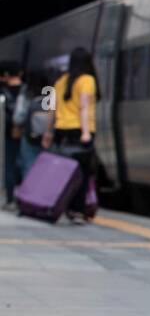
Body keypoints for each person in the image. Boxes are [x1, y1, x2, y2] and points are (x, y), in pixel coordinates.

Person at [46, 48, 100, 224]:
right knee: (82, 173)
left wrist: (48, 132)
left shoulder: (60, 81)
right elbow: (84, 106)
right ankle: (76, 209)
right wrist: (85, 132)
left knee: (64, 171)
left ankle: (61, 205)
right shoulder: (87, 80)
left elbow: (51, 109)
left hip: (61, 130)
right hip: (79, 130)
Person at [13, 70, 52, 185]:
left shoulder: (26, 94)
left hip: (29, 137)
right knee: (48, 169)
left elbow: (18, 117)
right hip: (48, 137)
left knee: (28, 167)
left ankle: (29, 197)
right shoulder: (52, 94)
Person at [1, 63, 21, 210]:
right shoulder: (30, 89)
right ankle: (27, 197)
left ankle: (10, 198)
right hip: (29, 134)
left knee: (9, 165)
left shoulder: (2, 91)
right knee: (28, 165)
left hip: (7, 133)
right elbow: (49, 105)